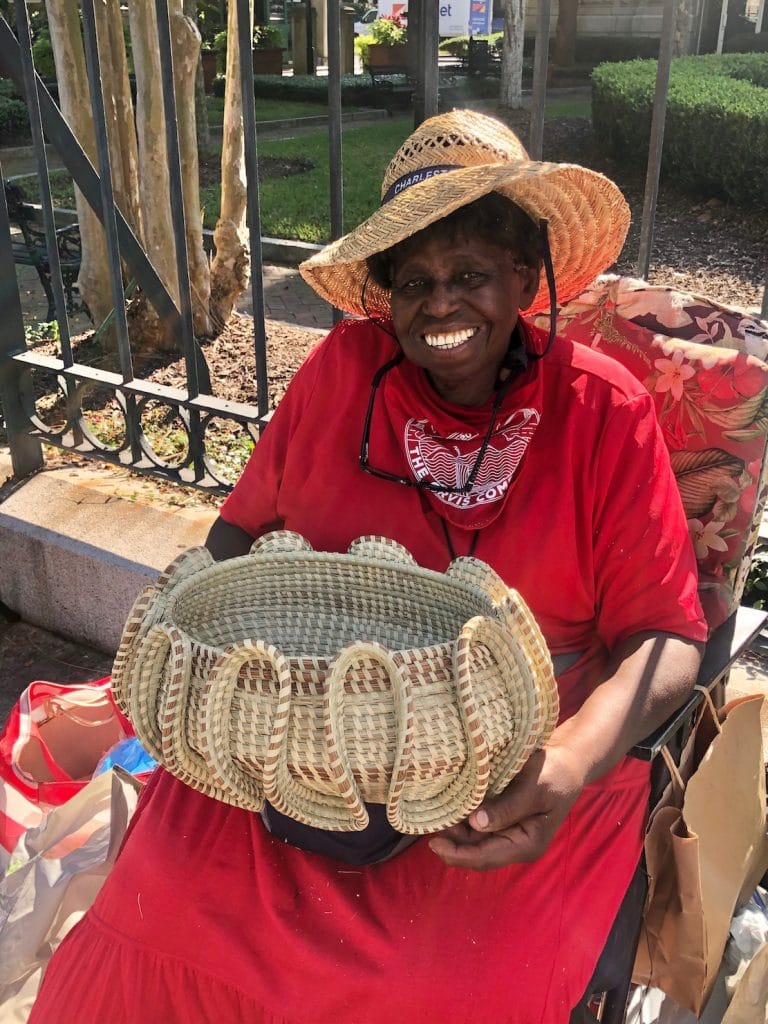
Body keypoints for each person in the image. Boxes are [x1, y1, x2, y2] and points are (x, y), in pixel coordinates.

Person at [30, 109, 707, 1023]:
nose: (440, 304)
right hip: (289, 744)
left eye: (470, 274)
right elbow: (231, 547)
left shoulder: (602, 410)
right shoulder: (344, 370)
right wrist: (194, 637)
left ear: (523, 276)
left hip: (505, 779)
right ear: (384, 292)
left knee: (419, 992)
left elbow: (668, 637)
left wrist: (568, 764)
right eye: (414, 280)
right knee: (151, 928)